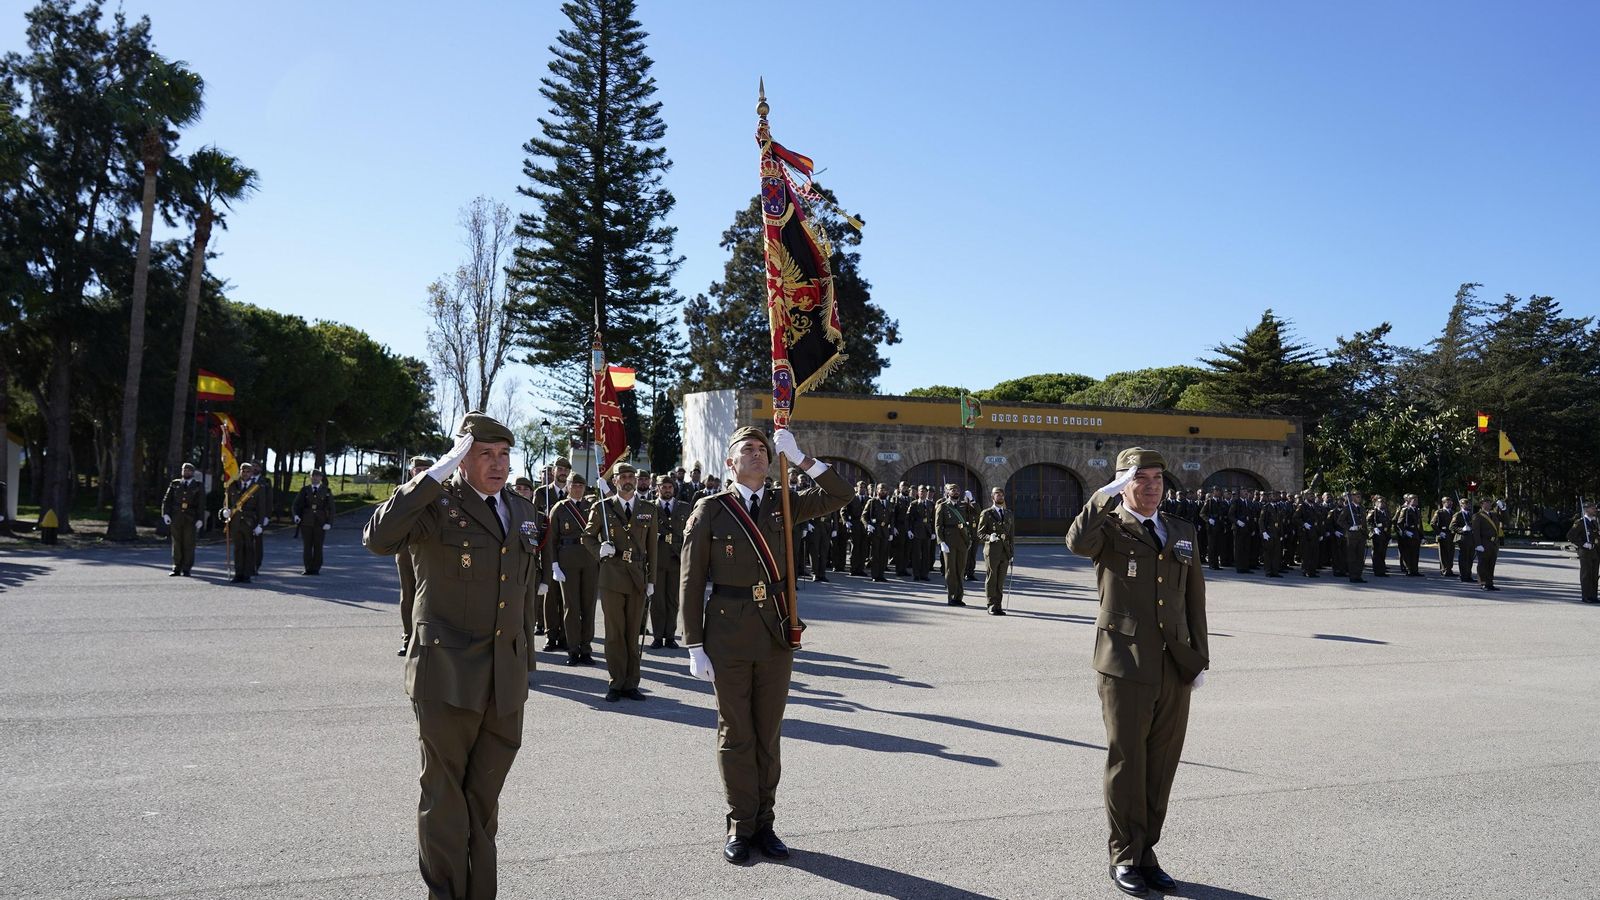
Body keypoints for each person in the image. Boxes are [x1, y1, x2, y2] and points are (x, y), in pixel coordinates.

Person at [361, 412, 538, 900]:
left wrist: (526, 666)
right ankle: (447, 893)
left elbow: (521, 595)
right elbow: (377, 537)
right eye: (484, 454)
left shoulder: (524, 512)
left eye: (504, 454)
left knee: (483, 799)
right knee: (444, 796)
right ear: (461, 459)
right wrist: (434, 473)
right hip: (446, 674)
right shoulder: (436, 504)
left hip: (505, 679)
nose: (497, 464)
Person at [680, 425, 850, 864]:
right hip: (727, 636)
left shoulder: (783, 502)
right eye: (746, 449)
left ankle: (767, 822)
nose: (757, 454)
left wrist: (801, 459)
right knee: (736, 734)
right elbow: (691, 579)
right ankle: (741, 823)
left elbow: (840, 494)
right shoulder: (711, 510)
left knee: (768, 734)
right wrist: (694, 645)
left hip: (775, 634)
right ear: (729, 462)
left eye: (762, 448)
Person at [1067, 448, 1207, 897]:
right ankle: (1124, 855)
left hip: (1174, 663)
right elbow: (1075, 542)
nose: (1150, 486)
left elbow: (1193, 599)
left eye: (1157, 479)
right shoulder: (1107, 529)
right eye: (1139, 478)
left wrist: (1198, 657)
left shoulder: (1181, 530)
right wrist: (1102, 496)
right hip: (1124, 664)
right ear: (1123, 483)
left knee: (1162, 765)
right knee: (1128, 763)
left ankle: (1148, 854)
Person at [585, 462, 657, 702]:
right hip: (612, 576)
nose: (627, 479)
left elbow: (653, 549)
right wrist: (600, 549)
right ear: (614, 481)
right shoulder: (603, 508)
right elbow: (587, 537)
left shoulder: (648, 508)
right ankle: (616, 683)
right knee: (615, 634)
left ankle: (631, 683)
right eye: (622, 476)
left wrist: (652, 580)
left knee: (632, 633)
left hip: (637, 577)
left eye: (631, 476)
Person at [548, 473, 597, 664]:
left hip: (589, 560)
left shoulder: (592, 507)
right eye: (574, 485)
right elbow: (551, 540)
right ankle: (573, 649)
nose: (577, 488)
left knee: (588, 606)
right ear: (567, 486)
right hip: (567, 561)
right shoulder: (559, 508)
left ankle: (586, 648)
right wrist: (554, 565)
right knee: (571, 607)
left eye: (581, 485)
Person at [396, 456, 434, 656]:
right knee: (409, 594)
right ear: (412, 472)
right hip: (406, 548)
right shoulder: (401, 492)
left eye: (426, 468)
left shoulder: (439, 492)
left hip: (431, 550)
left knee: (432, 594)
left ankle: (428, 638)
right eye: (418, 469)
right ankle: (408, 637)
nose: (421, 472)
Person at [651, 475, 689, 647]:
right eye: (663, 487)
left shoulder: (684, 508)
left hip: (676, 559)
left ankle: (670, 636)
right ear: (657, 488)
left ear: (674, 489)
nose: (667, 490)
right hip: (657, 559)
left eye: (670, 487)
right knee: (657, 600)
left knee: (673, 600)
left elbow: (690, 533)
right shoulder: (650, 507)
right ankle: (658, 636)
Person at [222, 462, 267, 583]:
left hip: (249, 522)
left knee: (248, 548)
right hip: (235, 521)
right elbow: (227, 503)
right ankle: (238, 573)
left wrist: (260, 524)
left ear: (252, 473)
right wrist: (224, 512)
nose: (245, 473)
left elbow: (261, 508)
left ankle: (247, 574)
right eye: (243, 471)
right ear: (240, 472)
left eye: (248, 471)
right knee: (238, 548)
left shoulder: (257, 488)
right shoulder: (233, 486)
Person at [161, 463, 205, 576]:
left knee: (189, 543)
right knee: (176, 543)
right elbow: (167, 500)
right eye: (184, 470)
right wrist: (165, 514)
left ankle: (186, 568)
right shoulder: (175, 484)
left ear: (193, 472)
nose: (186, 472)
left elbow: (201, 504)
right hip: (176, 517)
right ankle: (176, 567)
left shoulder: (198, 486)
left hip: (191, 518)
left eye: (189, 470)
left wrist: (200, 519)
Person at [976, 487, 1015, 615]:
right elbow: (980, 533)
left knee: (1001, 580)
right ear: (992, 497)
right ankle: (991, 604)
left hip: (1005, 551)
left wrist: (1012, 553)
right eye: (997, 495)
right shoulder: (986, 513)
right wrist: (989, 537)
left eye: (1002, 495)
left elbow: (1011, 536)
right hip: (992, 550)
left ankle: (999, 605)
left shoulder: (1009, 514)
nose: (1000, 497)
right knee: (992, 578)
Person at [291, 469, 336, 576]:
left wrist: (329, 522)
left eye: (317, 476)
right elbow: (295, 505)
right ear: (310, 477)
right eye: (313, 476)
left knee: (318, 546)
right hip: (306, 521)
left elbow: (331, 508)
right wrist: (296, 516)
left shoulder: (326, 490)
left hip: (320, 522)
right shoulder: (305, 490)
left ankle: (316, 568)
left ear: (321, 478)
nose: (315, 478)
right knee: (307, 546)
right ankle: (308, 567)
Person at [935, 483, 971, 606]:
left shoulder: (963, 506)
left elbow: (976, 513)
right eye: (952, 490)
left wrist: (971, 500)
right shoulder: (943, 506)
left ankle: (958, 597)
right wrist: (941, 542)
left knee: (961, 570)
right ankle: (951, 597)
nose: (955, 491)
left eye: (957, 490)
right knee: (950, 570)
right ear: (947, 492)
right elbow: (938, 525)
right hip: (949, 541)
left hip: (962, 540)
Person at [861, 483, 892, 582]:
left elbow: (891, 518)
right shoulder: (872, 502)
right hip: (876, 531)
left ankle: (881, 575)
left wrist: (891, 531)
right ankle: (875, 575)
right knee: (875, 554)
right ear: (877, 491)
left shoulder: (889, 503)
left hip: (885, 531)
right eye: (880, 489)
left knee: (883, 554)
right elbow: (863, 516)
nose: (882, 491)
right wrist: (868, 525)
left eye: (884, 490)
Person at [1569, 502, 1598, 603]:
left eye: (1594, 508)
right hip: (1585, 553)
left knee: (1594, 575)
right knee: (1586, 575)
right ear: (1586, 510)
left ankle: (1593, 596)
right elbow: (1570, 536)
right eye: (1592, 508)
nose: (1595, 510)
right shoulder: (1580, 522)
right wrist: (1583, 544)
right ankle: (1585, 596)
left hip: (1595, 552)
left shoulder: (1594, 522)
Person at [1472, 499, 1501, 591]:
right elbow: (1476, 531)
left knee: (1491, 564)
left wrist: (1503, 508)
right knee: (1483, 564)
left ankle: (1490, 583)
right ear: (1482, 505)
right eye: (1486, 503)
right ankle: (1483, 583)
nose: (1489, 504)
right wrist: (1478, 544)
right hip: (1484, 543)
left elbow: (1505, 519)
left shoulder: (1493, 514)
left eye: (1489, 503)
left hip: (1493, 543)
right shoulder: (1478, 516)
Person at [1395, 494, 1424, 577]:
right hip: (1409, 535)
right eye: (1414, 500)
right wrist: (1405, 532)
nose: (1416, 501)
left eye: (1416, 500)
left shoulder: (1417, 510)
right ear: (1409, 501)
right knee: (1408, 553)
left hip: (1416, 535)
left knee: (1415, 553)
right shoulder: (1405, 510)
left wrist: (1422, 536)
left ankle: (1415, 570)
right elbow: (1399, 523)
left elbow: (1419, 525)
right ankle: (1409, 570)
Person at [1430, 496, 1456, 577]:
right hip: (1443, 535)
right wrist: (1439, 532)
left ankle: (1449, 569)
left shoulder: (1452, 512)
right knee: (1444, 554)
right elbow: (1432, 523)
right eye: (1448, 502)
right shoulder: (1439, 512)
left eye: (1451, 502)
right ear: (1443, 503)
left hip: (1451, 535)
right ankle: (1444, 570)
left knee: (1451, 553)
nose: (1450, 503)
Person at [1453, 497, 1477, 582]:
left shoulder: (1471, 514)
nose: (1467, 505)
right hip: (1462, 538)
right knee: (1464, 558)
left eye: (1468, 503)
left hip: (1471, 539)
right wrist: (1462, 529)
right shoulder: (1458, 514)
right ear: (1461, 505)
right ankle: (1463, 576)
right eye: (1465, 504)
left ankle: (1468, 575)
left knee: (1470, 558)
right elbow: (1452, 526)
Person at [1366, 495, 1391, 577]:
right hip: (1377, 535)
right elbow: (1368, 523)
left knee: (1383, 553)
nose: (1382, 504)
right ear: (1376, 503)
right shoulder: (1374, 512)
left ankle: (1382, 570)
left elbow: (1389, 524)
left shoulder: (1386, 512)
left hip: (1385, 535)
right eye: (1380, 502)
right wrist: (1373, 529)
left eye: (1383, 502)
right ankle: (1377, 571)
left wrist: (1389, 536)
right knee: (1377, 553)